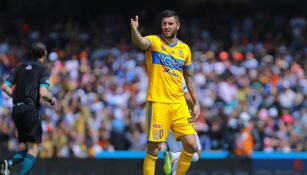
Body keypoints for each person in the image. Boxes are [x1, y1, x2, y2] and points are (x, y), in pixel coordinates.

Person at [131, 10, 200, 175]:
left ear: (178, 26)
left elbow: (189, 78)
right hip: (158, 103)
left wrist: (196, 102)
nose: (167, 27)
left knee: (192, 145)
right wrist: (134, 30)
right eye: (164, 24)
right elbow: (141, 43)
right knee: (154, 150)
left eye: (170, 23)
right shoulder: (154, 42)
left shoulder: (185, 49)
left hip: (178, 104)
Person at [0, 42, 56, 175]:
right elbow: (43, 93)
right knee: (34, 149)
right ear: (45, 54)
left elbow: (4, 86)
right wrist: (52, 99)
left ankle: (10, 163)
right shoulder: (44, 69)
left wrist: (18, 96)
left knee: (31, 147)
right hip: (30, 110)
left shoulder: (19, 67)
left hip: (17, 110)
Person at [164, 83, 202, 175]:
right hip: (180, 118)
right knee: (196, 152)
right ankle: (172, 156)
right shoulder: (179, 74)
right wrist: (195, 106)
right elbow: (187, 97)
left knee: (180, 156)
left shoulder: (161, 76)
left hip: (164, 118)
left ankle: (173, 156)